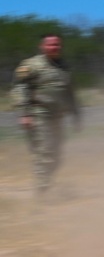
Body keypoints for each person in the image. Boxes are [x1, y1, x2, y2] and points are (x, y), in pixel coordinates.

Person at [10, 34, 80, 194]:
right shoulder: (31, 65)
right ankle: (41, 193)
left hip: (58, 117)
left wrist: (76, 116)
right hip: (38, 115)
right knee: (45, 152)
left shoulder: (64, 67)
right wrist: (24, 113)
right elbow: (20, 88)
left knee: (57, 156)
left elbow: (70, 93)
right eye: (51, 45)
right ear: (42, 46)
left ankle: (45, 184)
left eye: (57, 45)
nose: (55, 47)